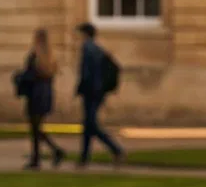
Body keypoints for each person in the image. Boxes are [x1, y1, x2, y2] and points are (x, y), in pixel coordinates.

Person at [72, 22, 125, 168]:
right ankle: (84, 158)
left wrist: (79, 89)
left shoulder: (87, 48)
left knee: (91, 124)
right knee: (88, 124)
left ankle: (116, 149)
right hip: (97, 91)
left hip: (91, 91)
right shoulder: (97, 48)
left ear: (84, 34)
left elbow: (86, 73)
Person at [13, 29, 65, 169]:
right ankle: (52, 152)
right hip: (46, 94)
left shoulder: (35, 57)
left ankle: (40, 158)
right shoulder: (50, 58)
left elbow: (29, 76)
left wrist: (18, 77)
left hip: (35, 95)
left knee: (35, 128)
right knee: (37, 128)